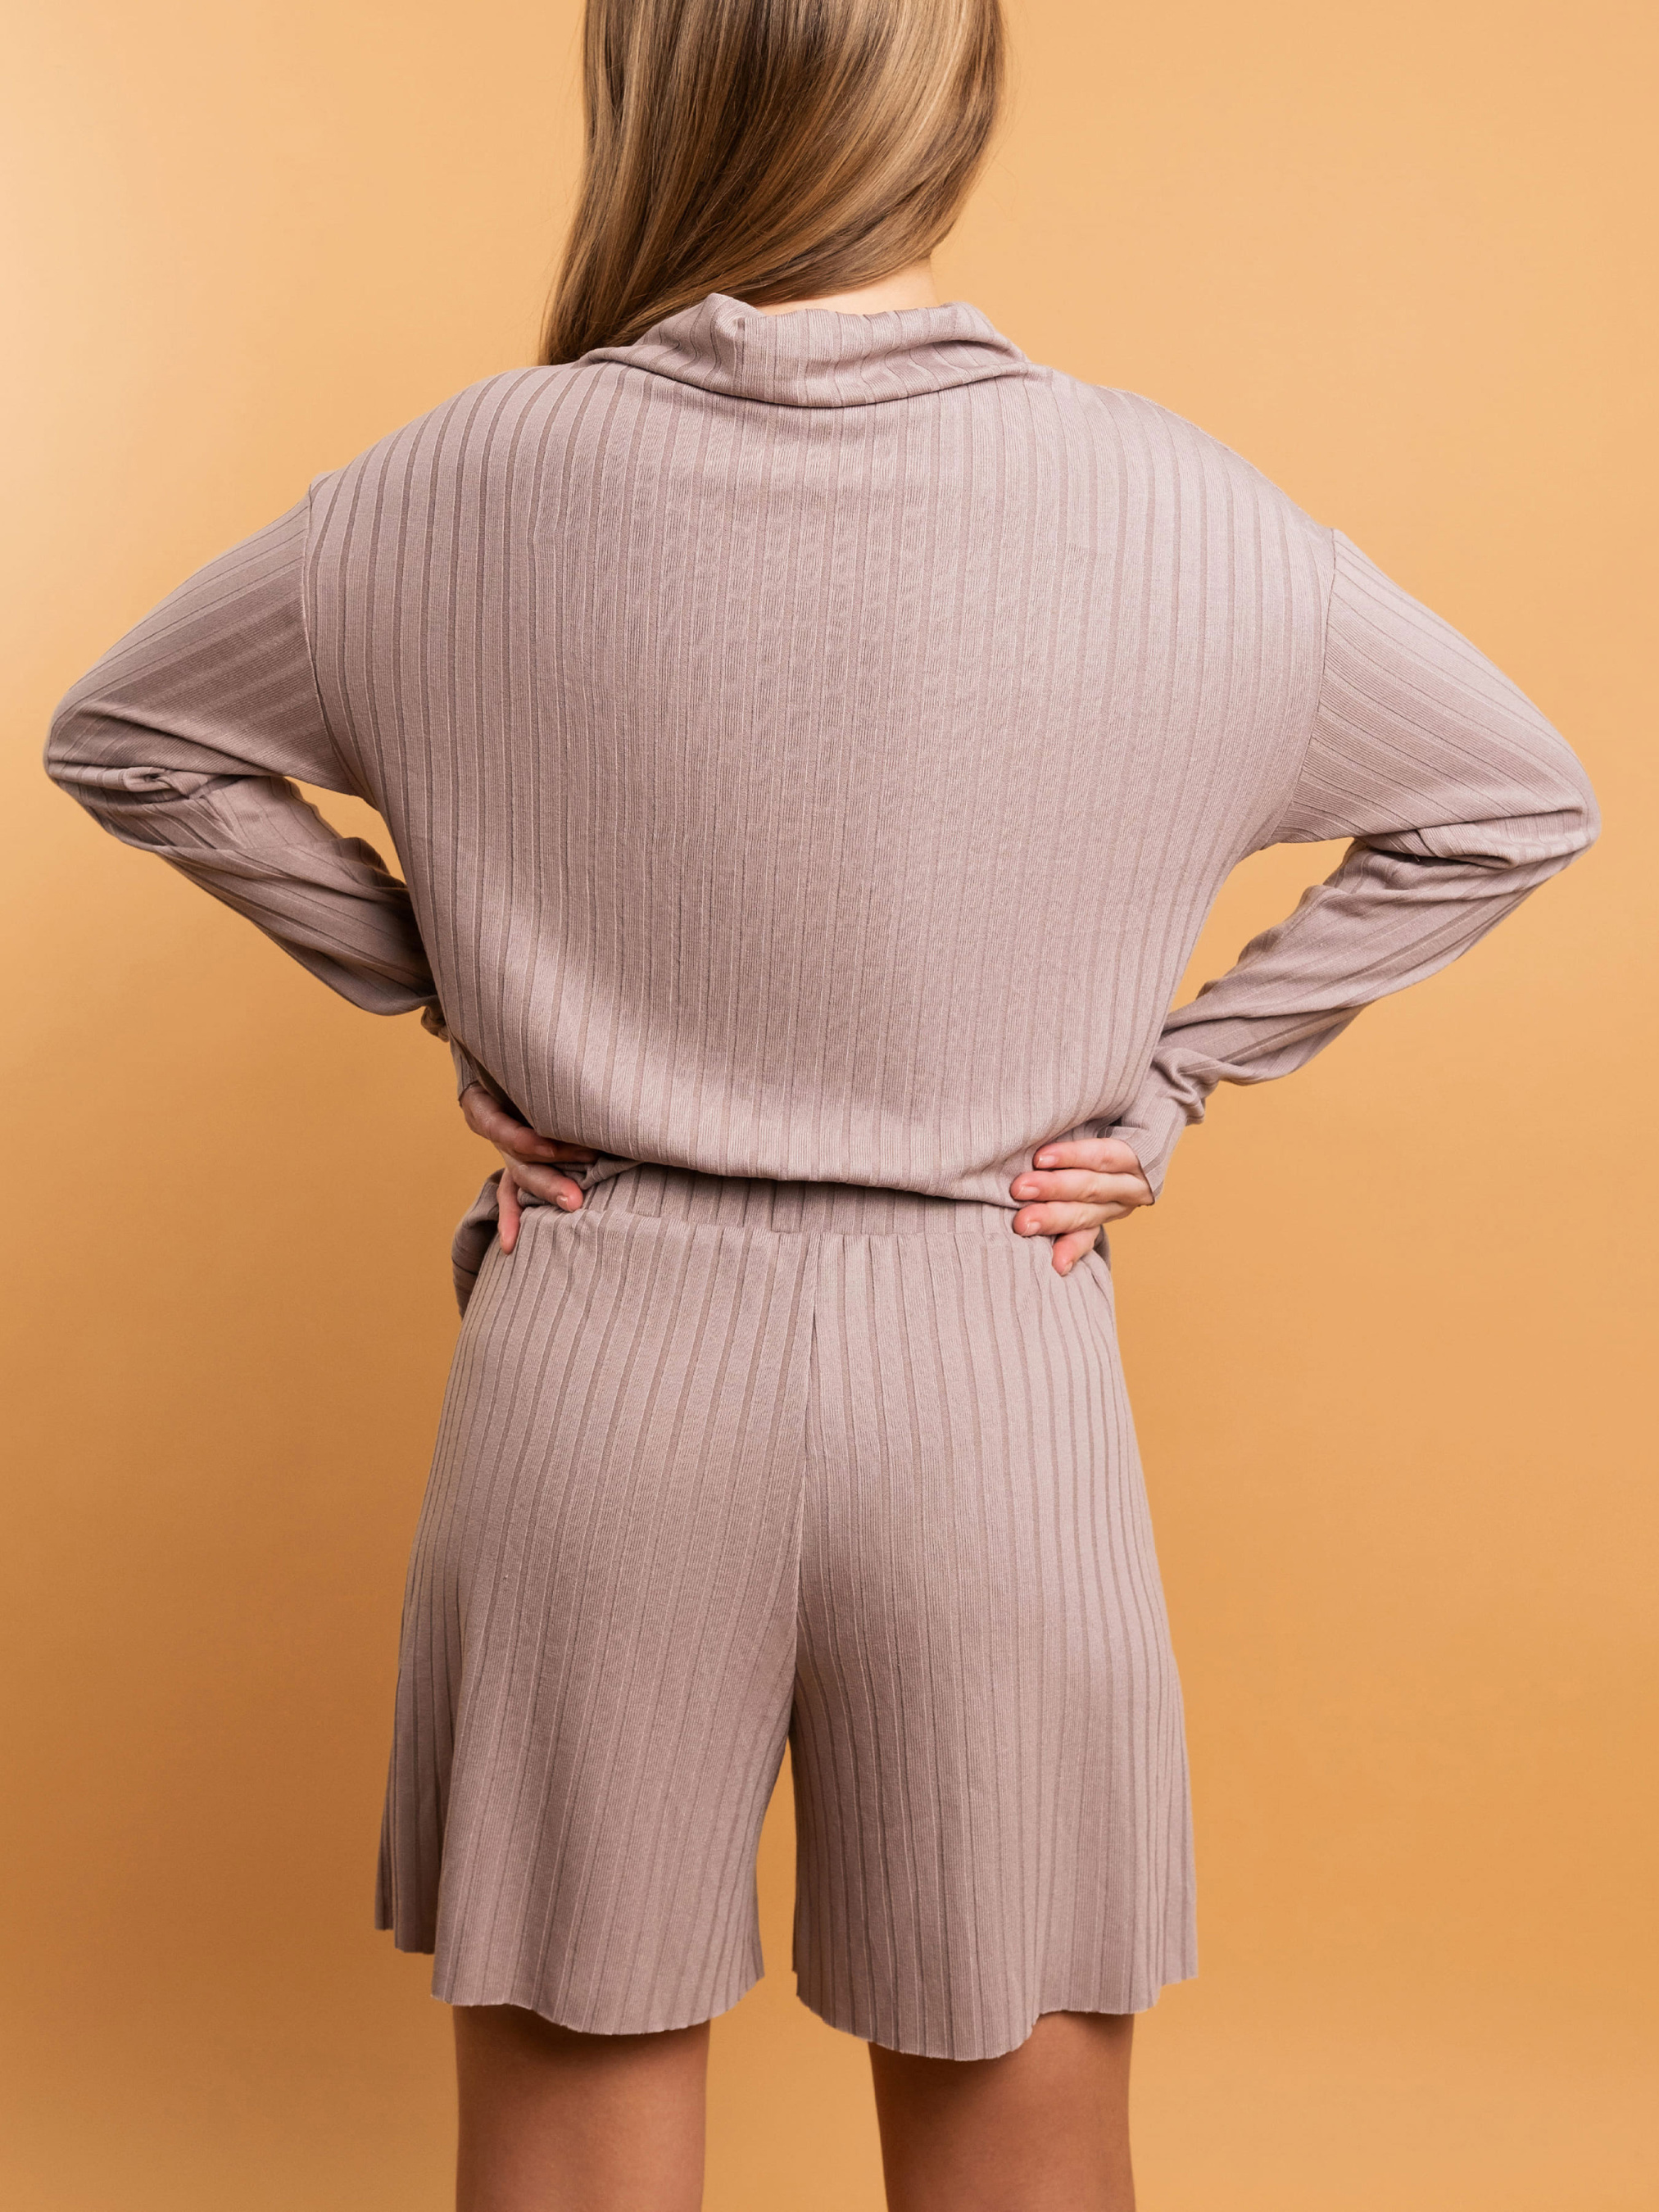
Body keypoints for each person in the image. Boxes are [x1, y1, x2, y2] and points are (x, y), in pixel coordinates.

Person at [43, 1, 1599, 2205]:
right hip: (990, 1366)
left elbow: (127, 737)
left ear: (649, 89)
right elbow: (1513, 801)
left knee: (573, 2135)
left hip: (602, 1355)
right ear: (952, 102)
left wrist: (452, 983)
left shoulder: (451, 484)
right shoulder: (1185, 508)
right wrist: (1171, 1083)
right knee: (1017, 2139)